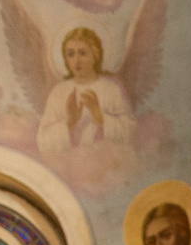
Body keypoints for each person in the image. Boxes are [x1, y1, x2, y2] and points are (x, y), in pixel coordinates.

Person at [36, 26, 125, 154]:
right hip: (69, 163)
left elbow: (131, 132)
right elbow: (42, 141)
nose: (76, 60)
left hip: (105, 161)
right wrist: (70, 122)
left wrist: (99, 117)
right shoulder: (59, 93)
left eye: (83, 53)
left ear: (95, 55)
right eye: (71, 54)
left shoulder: (111, 89)